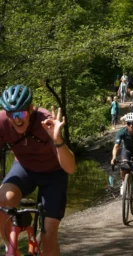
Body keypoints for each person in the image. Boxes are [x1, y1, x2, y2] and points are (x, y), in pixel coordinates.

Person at [0, 84, 76, 256]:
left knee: (48, 236)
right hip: (24, 169)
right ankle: (10, 247)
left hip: (54, 174)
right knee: (2, 200)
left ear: (31, 109)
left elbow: (70, 168)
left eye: (21, 113)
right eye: (12, 114)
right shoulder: (3, 121)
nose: (17, 119)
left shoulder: (45, 121)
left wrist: (57, 139)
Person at [111, 112, 133, 205]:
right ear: (125, 123)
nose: (131, 125)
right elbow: (116, 146)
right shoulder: (121, 132)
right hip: (126, 150)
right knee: (123, 167)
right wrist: (114, 157)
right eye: (129, 123)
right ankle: (124, 183)